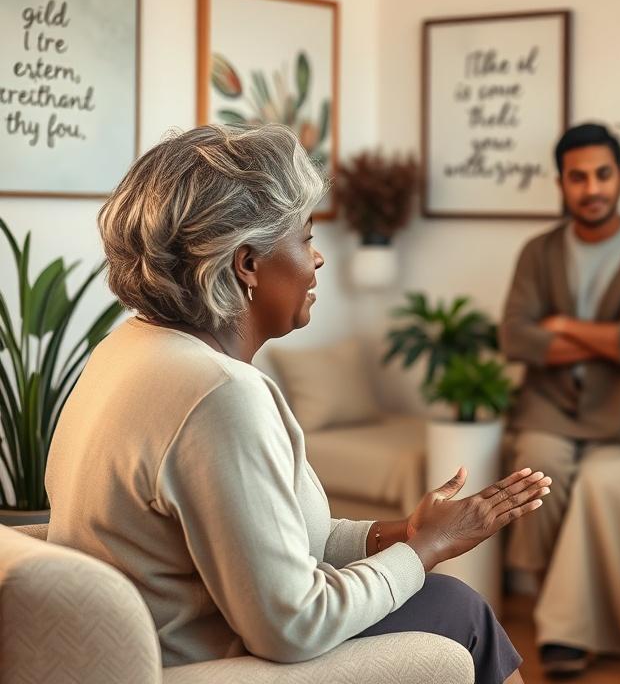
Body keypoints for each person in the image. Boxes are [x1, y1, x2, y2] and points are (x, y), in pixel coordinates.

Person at [45, 124, 551, 684]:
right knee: (458, 611)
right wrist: (427, 550)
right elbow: (291, 626)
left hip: (146, 647)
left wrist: (405, 532)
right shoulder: (217, 396)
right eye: (306, 239)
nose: (317, 262)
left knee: (449, 599)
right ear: (247, 265)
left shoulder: (129, 349)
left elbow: (279, 542)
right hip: (204, 665)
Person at [501, 122, 620, 674]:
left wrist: (563, 326)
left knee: (597, 490)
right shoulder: (538, 252)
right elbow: (516, 337)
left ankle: (573, 629)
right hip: (548, 408)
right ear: (561, 183)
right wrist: (612, 334)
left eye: (603, 174)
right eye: (578, 177)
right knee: (537, 473)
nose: (592, 188)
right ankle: (556, 619)